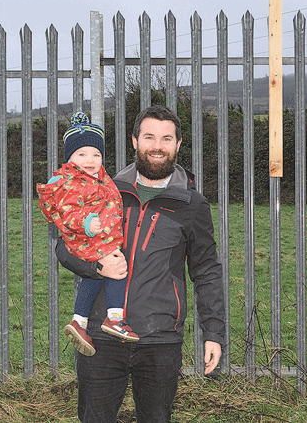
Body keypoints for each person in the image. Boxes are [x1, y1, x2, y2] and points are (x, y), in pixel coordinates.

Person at [55, 105, 226, 423]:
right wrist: (96, 269)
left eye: (166, 138)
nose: (157, 145)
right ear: (134, 141)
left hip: (160, 340)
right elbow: (65, 248)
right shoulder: (103, 191)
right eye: (149, 137)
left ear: (177, 145)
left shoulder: (192, 205)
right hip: (100, 337)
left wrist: (213, 333)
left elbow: (206, 270)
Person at [37, 112, 139, 359]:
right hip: (89, 236)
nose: (90, 160)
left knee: (95, 277)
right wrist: (87, 222)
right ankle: (115, 318)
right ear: (70, 158)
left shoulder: (96, 178)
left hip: (96, 236)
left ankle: (79, 321)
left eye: (96, 154)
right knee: (118, 268)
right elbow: (67, 209)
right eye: (82, 154)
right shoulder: (72, 181)